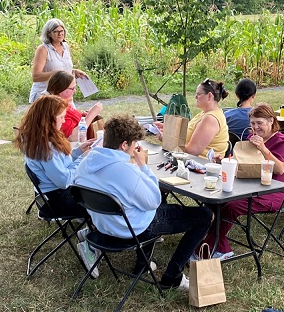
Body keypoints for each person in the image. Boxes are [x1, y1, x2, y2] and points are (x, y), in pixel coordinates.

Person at [74, 114, 213, 292]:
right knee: (204, 216)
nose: (135, 149)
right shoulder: (125, 171)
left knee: (148, 205)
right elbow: (153, 201)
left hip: (104, 226)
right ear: (124, 145)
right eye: (133, 145)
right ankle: (173, 277)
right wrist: (143, 167)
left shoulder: (86, 163)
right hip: (132, 229)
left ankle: (143, 263)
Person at [14, 95, 99, 276]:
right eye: (61, 117)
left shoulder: (42, 138)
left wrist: (77, 152)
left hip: (51, 195)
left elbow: (61, 167)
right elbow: (63, 180)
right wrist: (82, 160)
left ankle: (90, 234)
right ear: (49, 119)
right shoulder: (45, 146)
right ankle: (92, 243)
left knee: (98, 190)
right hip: (57, 199)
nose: (64, 120)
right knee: (101, 201)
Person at [200, 104, 284, 260]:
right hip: (247, 187)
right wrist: (222, 161)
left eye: (259, 123)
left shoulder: (281, 142)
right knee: (215, 199)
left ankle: (209, 247)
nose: (255, 127)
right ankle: (219, 245)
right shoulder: (251, 137)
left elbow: (280, 169)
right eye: (252, 123)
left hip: (270, 193)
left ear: (271, 121)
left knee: (231, 206)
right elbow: (243, 162)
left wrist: (263, 148)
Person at [154, 78, 230, 158]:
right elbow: (188, 132)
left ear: (209, 96)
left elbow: (192, 152)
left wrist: (167, 140)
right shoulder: (205, 113)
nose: (195, 97)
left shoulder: (210, 119)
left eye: (198, 94)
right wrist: (168, 129)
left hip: (199, 165)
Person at [29, 18, 87, 103]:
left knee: (74, 115)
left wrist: (74, 71)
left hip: (64, 94)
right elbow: (36, 77)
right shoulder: (43, 49)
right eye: (56, 32)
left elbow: (63, 69)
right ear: (49, 34)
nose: (60, 34)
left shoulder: (66, 47)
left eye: (62, 31)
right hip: (46, 95)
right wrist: (56, 74)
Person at [45, 70, 103, 141]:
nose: (74, 91)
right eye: (72, 88)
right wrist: (91, 115)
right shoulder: (57, 110)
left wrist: (84, 115)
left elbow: (74, 118)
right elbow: (72, 137)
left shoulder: (64, 104)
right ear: (60, 90)